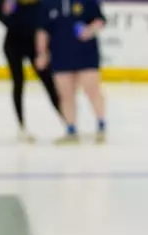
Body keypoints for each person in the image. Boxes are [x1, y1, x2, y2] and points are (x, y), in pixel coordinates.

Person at [35, 0, 107, 144]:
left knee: (92, 90)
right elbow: (43, 30)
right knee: (65, 94)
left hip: (86, 54)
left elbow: (100, 20)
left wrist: (90, 30)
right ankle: (71, 129)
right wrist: (42, 53)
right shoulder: (48, 4)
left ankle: (101, 125)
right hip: (60, 54)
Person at [0, 0, 60, 141]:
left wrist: (44, 46)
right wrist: (5, 12)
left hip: (35, 42)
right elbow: (0, 13)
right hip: (13, 42)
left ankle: (67, 120)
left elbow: (47, 15)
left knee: (47, 80)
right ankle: (21, 126)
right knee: (18, 82)